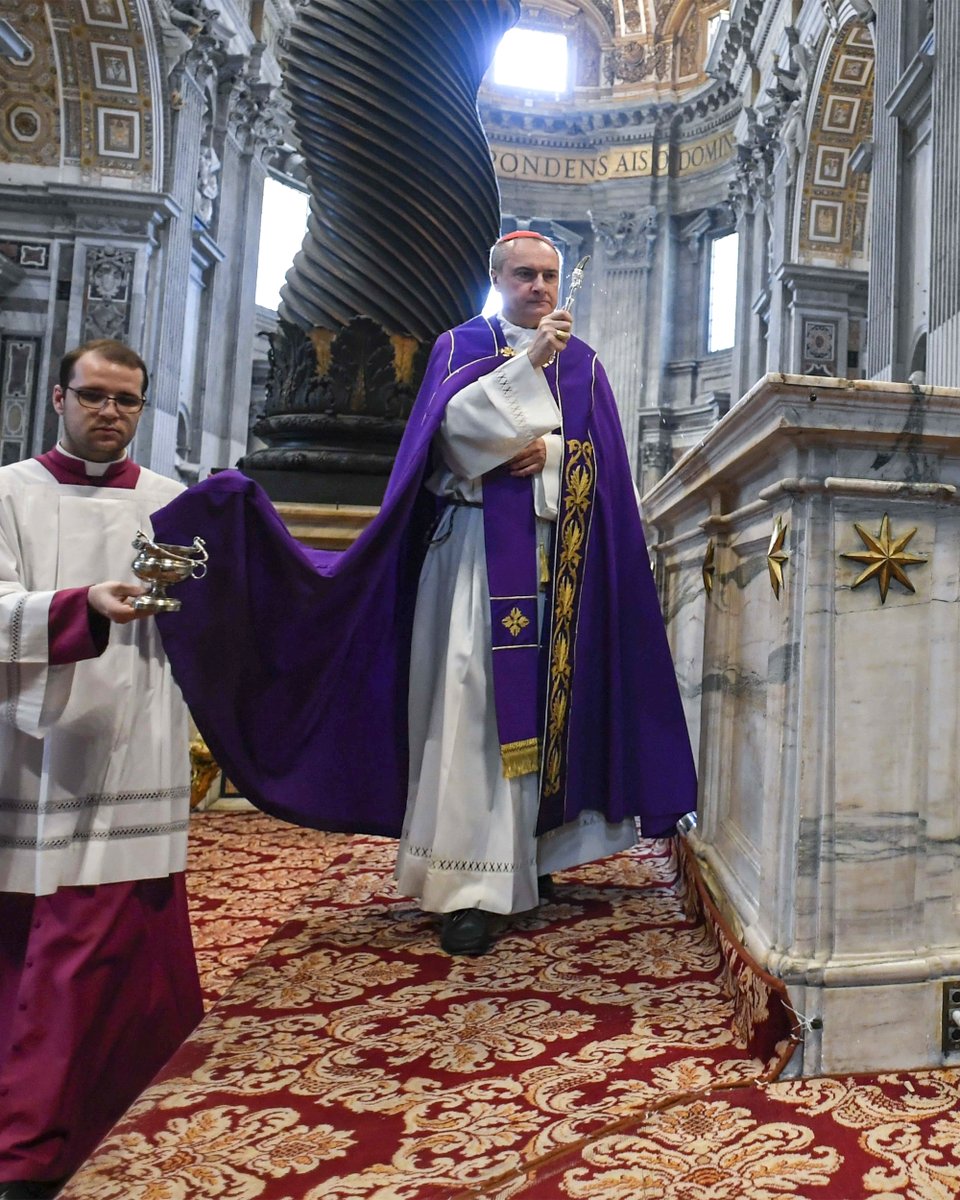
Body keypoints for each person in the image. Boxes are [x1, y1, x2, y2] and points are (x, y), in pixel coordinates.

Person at [150, 232, 697, 958]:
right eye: (524, 275)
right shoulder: (457, 345)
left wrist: (550, 460)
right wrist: (528, 371)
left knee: (539, 714)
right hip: (470, 554)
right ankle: (468, 885)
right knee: (469, 710)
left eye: (549, 276)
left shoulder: (586, 364)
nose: (539, 287)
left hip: (548, 566)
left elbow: (599, 467)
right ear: (496, 279)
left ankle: (530, 860)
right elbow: (449, 438)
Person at [0, 339, 202, 1200]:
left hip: (136, 733)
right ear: (58, 396)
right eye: (94, 396)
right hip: (32, 745)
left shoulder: (169, 503)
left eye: (126, 400)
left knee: (120, 932)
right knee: (38, 940)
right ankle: (29, 1140)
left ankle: (116, 1114)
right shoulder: (9, 491)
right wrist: (84, 604)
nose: (109, 412)